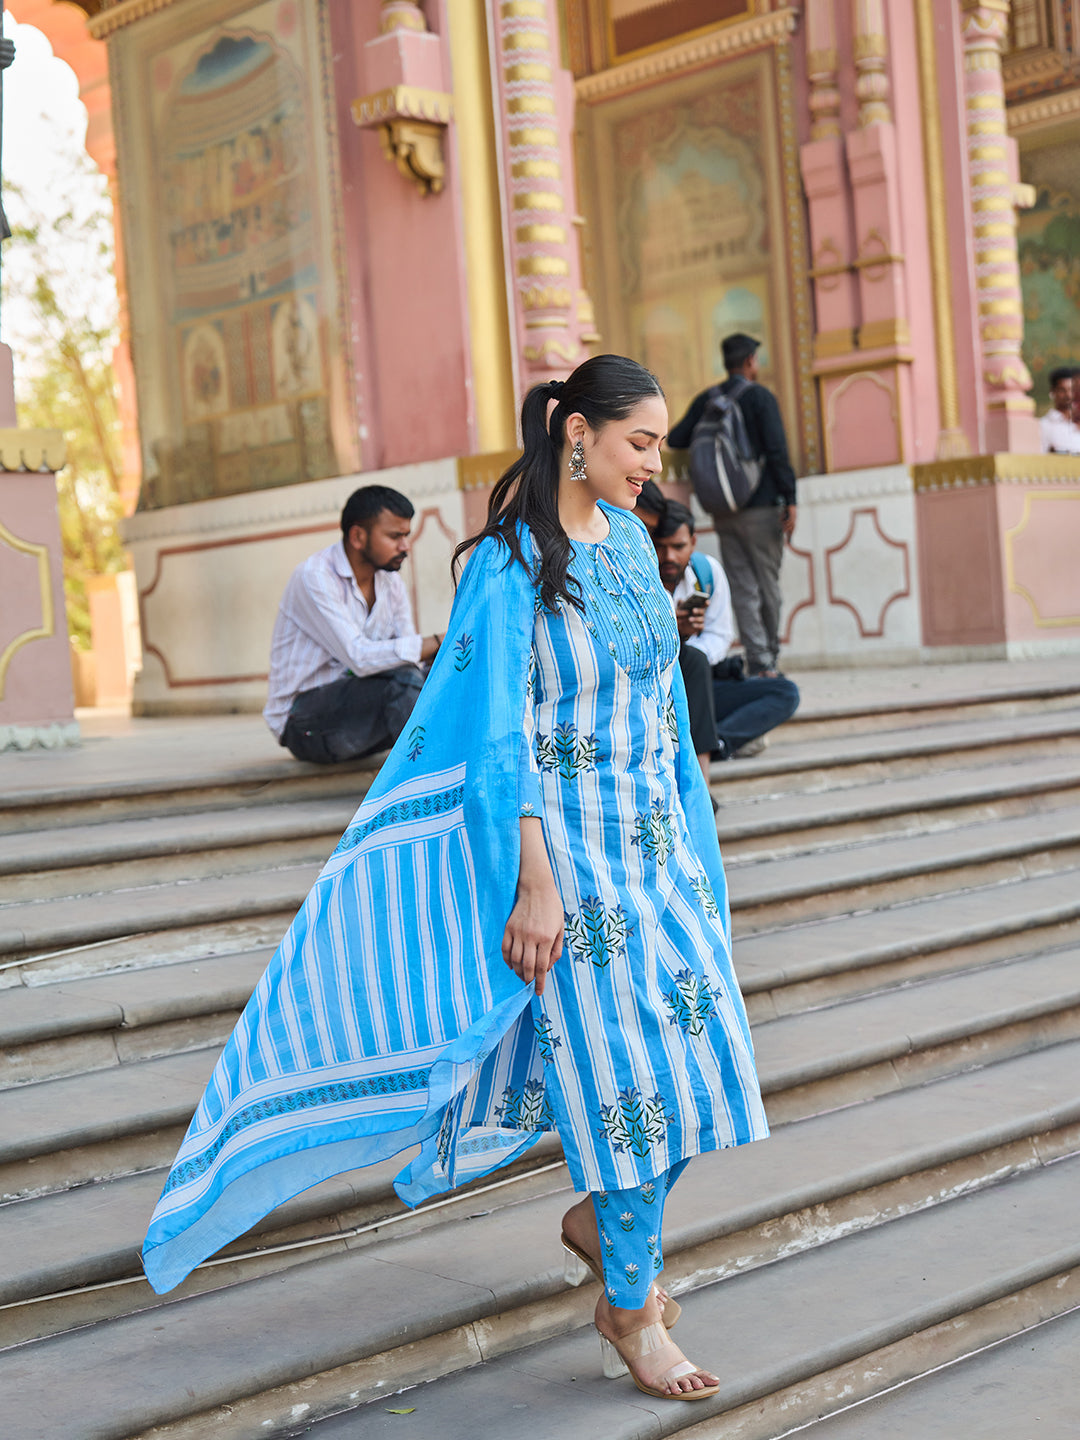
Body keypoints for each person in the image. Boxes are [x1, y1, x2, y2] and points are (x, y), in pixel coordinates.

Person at [142, 355, 768, 1403]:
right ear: (577, 433)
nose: (652, 466)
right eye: (639, 443)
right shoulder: (512, 564)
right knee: (630, 1088)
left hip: (657, 848)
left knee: (709, 1065)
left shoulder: (631, 544)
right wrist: (533, 881)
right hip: (572, 859)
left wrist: (695, 846)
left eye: (658, 444)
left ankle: (598, 1226)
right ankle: (630, 1306)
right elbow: (495, 732)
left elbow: (661, 705)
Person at [263, 485, 443, 764]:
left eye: (406, 536)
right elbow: (359, 658)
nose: (405, 546)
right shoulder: (315, 576)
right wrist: (439, 641)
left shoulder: (391, 581)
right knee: (405, 682)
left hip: (361, 713)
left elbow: (410, 657)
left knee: (441, 675)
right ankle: (428, 777)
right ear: (358, 536)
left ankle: (449, 768)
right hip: (302, 723)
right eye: (394, 536)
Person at [668, 333, 796, 677]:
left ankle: (758, 661)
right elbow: (778, 451)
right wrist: (791, 500)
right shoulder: (760, 398)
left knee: (742, 587)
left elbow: (676, 438)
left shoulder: (708, 399)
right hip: (762, 509)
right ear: (751, 361)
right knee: (767, 584)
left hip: (723, 511)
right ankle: (770, 658)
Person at [652, 501, 799, 778]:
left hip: (704, 684)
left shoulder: (707, 572)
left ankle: (717, 744)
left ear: (693, 542)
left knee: (784, 692)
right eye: (660, 547)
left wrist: (693, 650)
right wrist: (676, 633)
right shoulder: (642, 579)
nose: (669, 556)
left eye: (678, 546)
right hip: (662, 693)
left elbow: (720, 636)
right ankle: (705, 743)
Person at [1040, 366, 1080, 454]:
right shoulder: (1044, 425)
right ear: (1053, 392)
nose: (1068, 395)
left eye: (1071, 390)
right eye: (1062, 390)